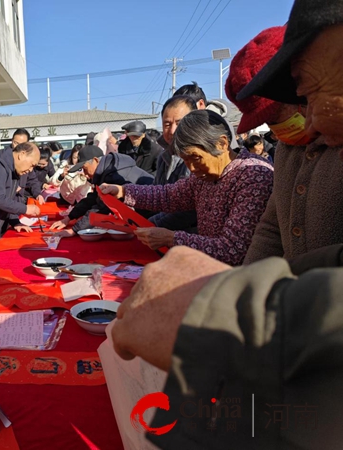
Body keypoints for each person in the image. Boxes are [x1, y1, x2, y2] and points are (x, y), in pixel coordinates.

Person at [113, 1, 343, 448]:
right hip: (280, 345)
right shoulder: (284, 154)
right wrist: (128, 194)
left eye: (308, 94)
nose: (309, 119)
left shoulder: (252, 174)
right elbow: (268, 236)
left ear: (221, 143)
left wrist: (215, 297)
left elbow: (236, 248)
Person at [224, 25, 343, 264]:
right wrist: (246, 285)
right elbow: (271, 228)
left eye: (274, 117)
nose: (310, 125)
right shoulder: (288, 151)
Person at [101, 110, 274, 265]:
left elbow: (232, 250)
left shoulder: (253, 176)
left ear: (222, 143)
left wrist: (171, 238)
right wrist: (124, 191)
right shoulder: (205, 176)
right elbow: (169, 195)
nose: (191, 168)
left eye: (196, 158)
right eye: (185, 160)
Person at [49, 145, 153, 235]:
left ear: (95, 160)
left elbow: (100, 208)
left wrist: (74, 230)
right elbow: (92, 198)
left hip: (153, 215)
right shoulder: (107, 170)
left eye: (85, 169)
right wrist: (69, 218)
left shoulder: (114, 174)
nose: (85, 174)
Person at [149, 95, 198, 232]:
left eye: (179, 123)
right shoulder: (163, 157)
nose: (172, 131)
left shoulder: (199, 158)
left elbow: (189, 208)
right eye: (167, 124)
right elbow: (157, 196)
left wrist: (152, 225)